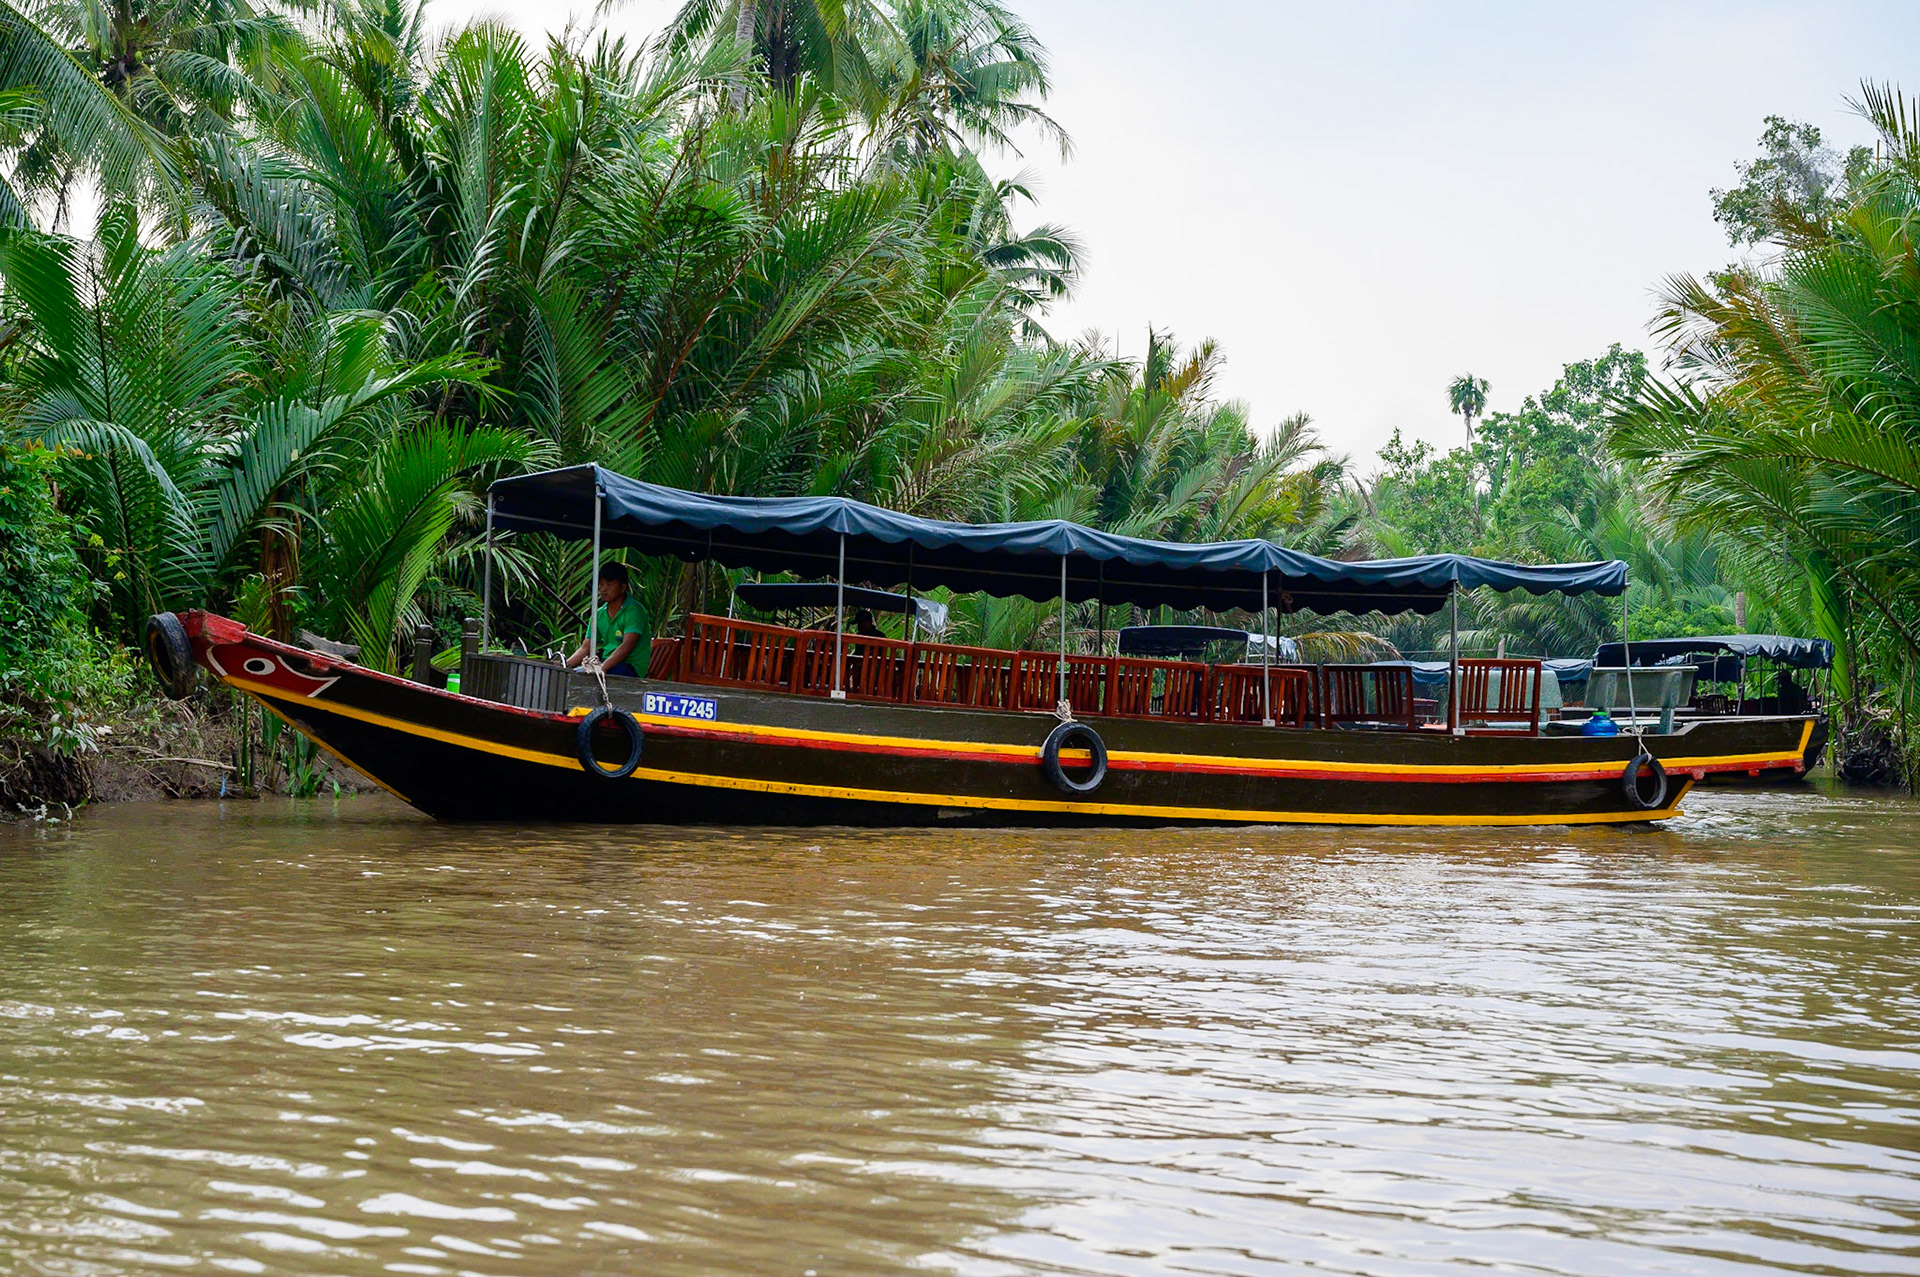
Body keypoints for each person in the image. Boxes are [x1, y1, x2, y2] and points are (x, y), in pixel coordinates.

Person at [565, 562, 649, 678]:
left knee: (586, 678)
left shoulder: (634, 611)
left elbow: (626, 646)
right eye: (601, 584)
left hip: (629, 666)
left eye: (609, 585)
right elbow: (586, 647)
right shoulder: (599, 613)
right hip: (607, 664)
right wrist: (564, 665)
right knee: (575, 675)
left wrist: (602, 668)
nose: (603, 589)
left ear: (623, 588)